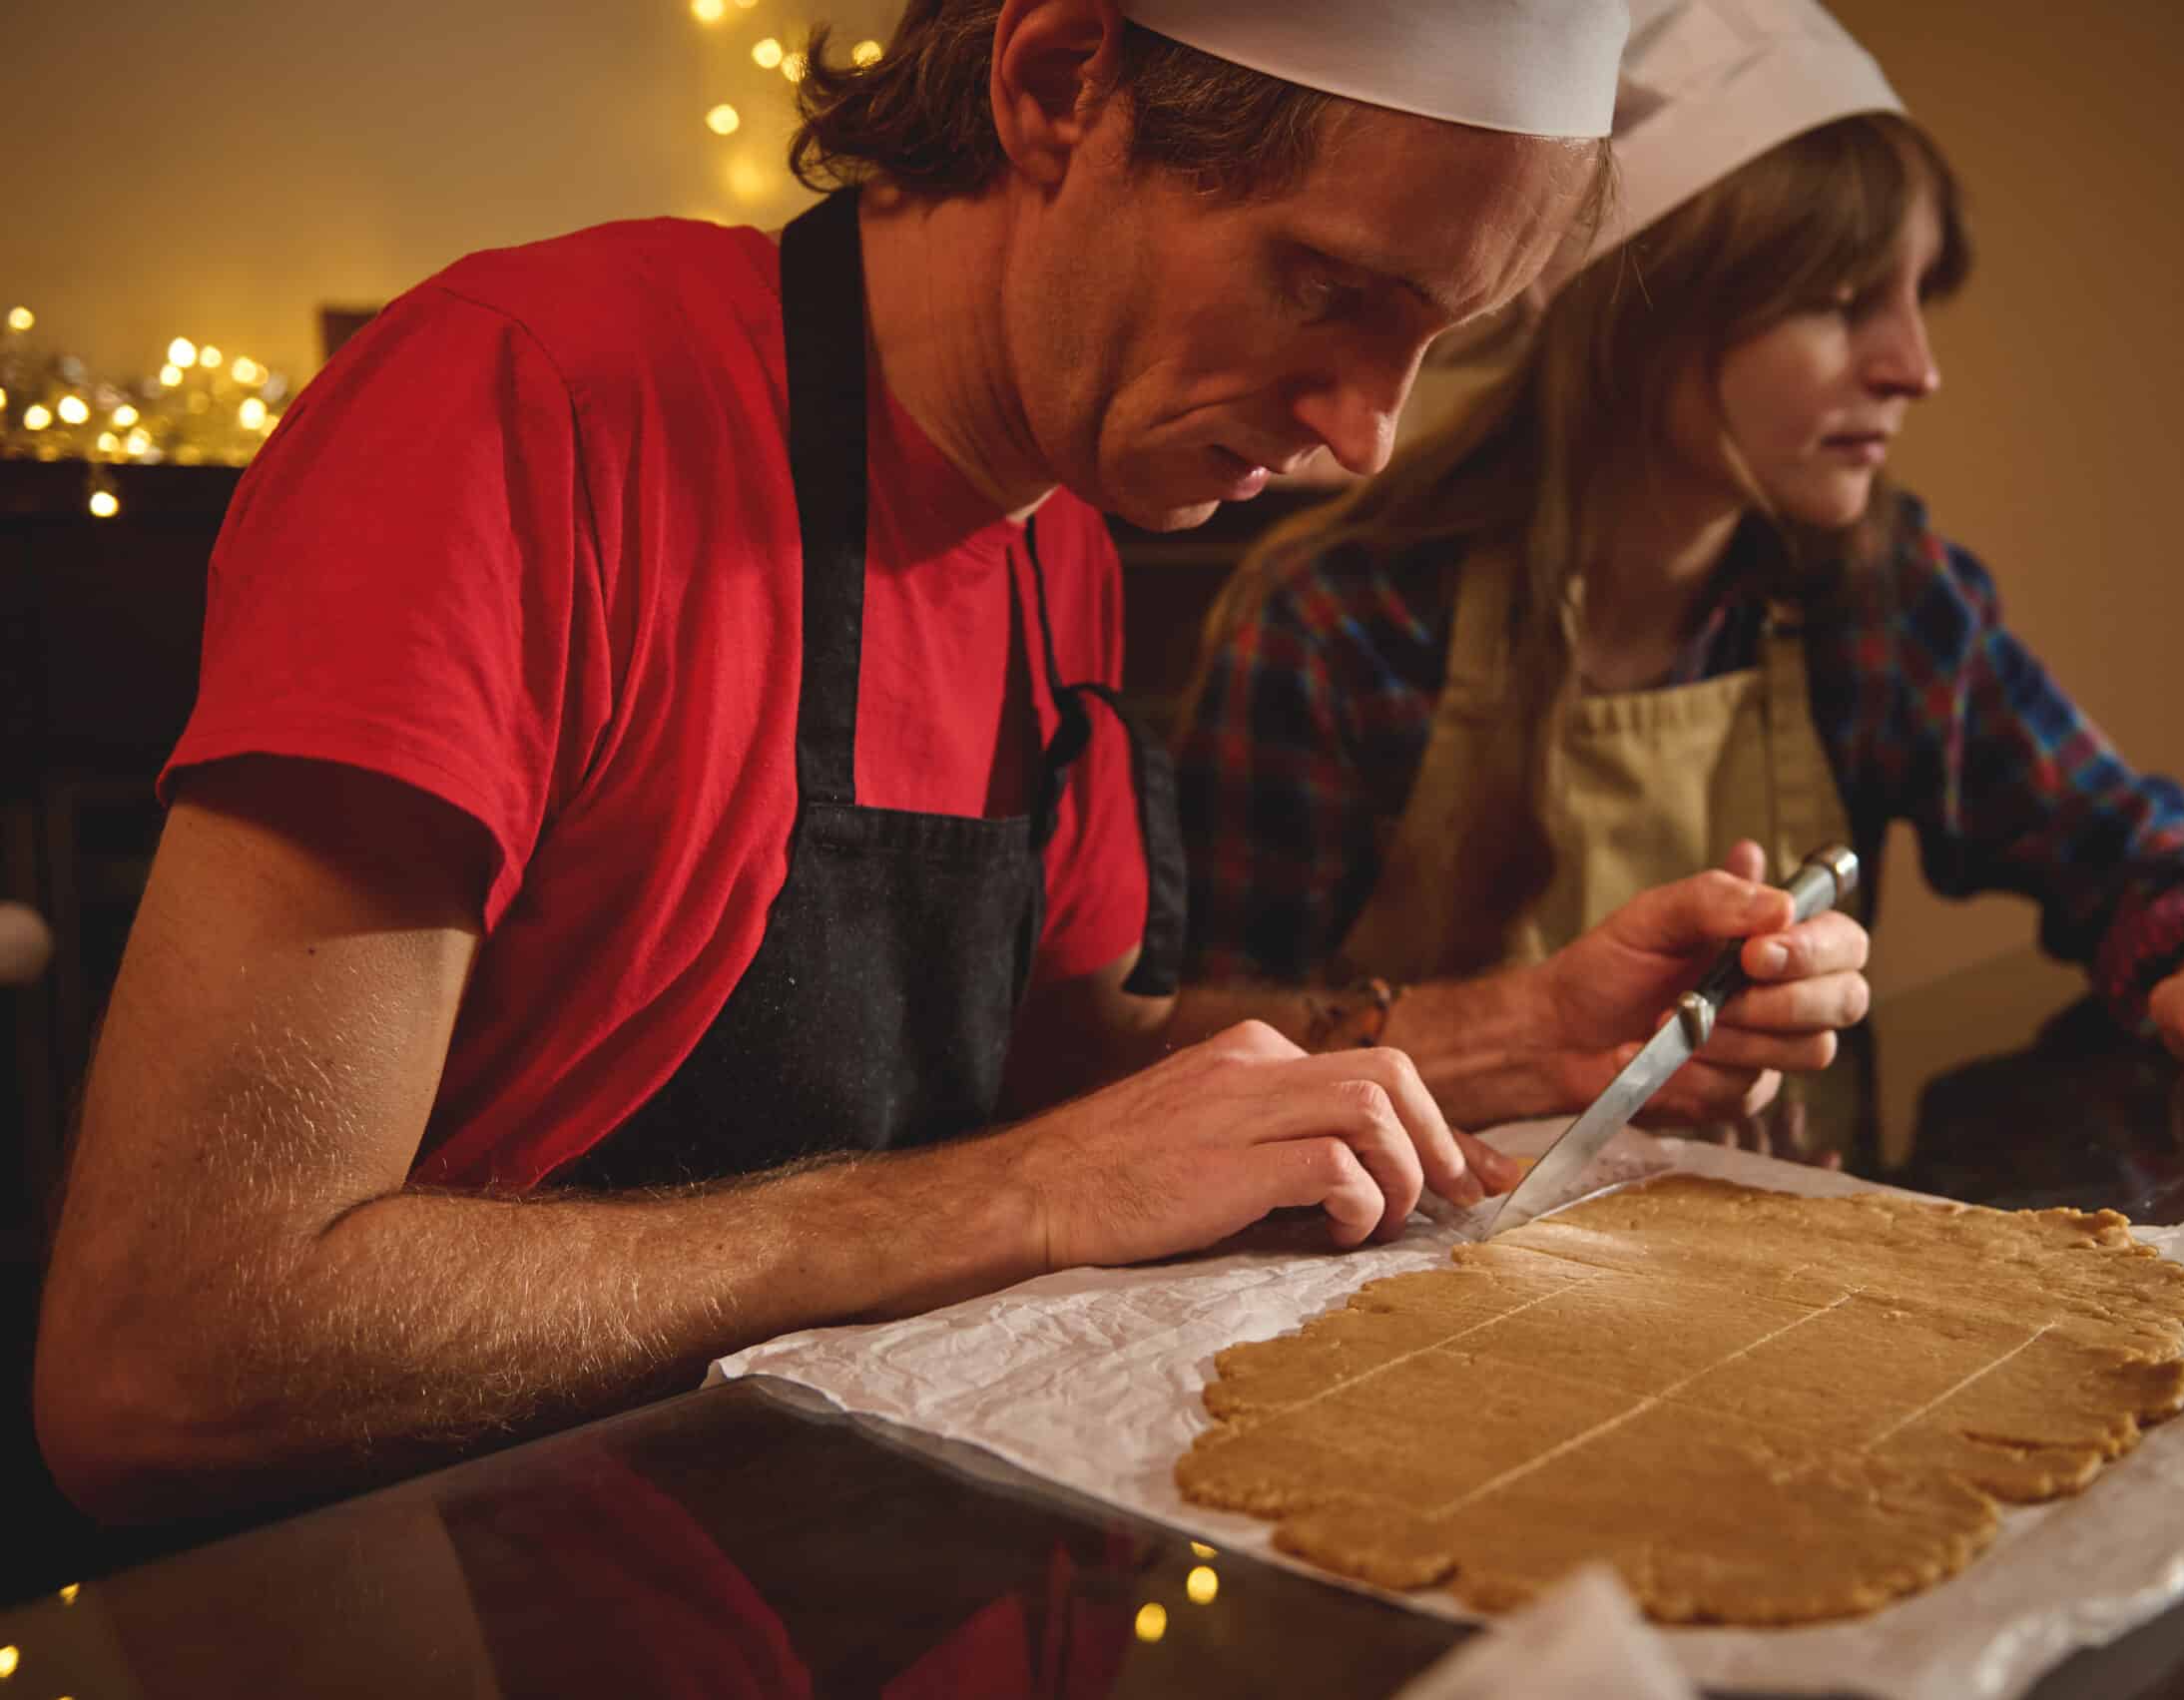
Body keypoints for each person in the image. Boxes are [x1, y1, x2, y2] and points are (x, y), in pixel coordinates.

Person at [35, 0, 1874, 1524]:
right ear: (1061, 82)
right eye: (1324, 286)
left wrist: (1524, 1034)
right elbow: (172, 1350)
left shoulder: (1055, 539)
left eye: (1433, 340)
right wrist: (1013, 1195)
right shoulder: (528, 407)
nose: (1365, 437)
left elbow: (1083, 1079)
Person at [1177, 0, 2184, 1151]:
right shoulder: (1342, 625)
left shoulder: (1878, 599)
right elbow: (1194, 1051)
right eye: (1842, 302)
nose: (1914, 368)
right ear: (1644, 315)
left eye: (1916, 298)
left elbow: (2118, 849)